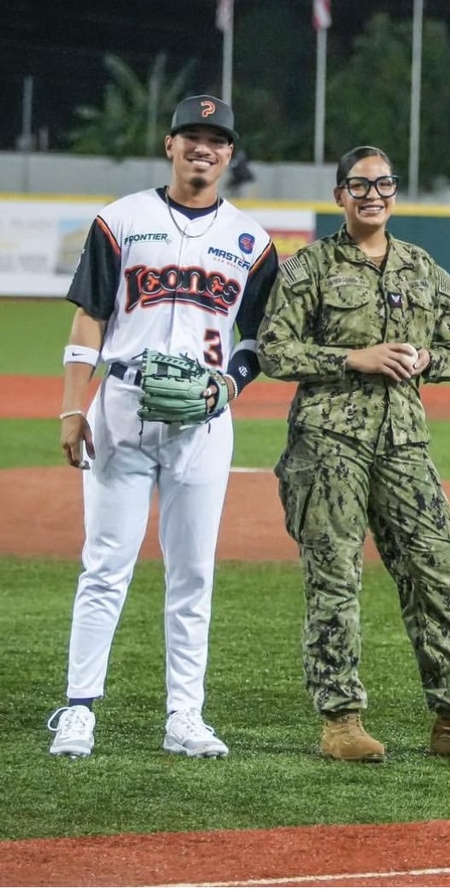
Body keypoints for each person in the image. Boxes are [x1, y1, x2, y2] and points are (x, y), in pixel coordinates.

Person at [256, 145, 450, 763]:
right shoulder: (310, 269)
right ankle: (341, 720)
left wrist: (429, 359)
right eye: (359, 185)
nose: (372, 194)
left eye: (383, 184)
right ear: (339, 195)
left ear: (395, 193)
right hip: (329, 445)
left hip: (404, 443)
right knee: (335, 576)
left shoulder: (422, 268)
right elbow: (274, 350)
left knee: (438, 568)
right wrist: (353, 358)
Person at [47, 95, 279, 759]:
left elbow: (263, 336)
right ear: (170, 144)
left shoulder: (252, 241)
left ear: (230, 155)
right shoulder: (121, 220)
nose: (204, 148)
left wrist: (231, 382)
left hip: (204, 423)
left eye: (217, 140)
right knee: (104, 564)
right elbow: (89, 318)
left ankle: (186, 713)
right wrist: (72, 404)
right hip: (119, 407)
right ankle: (79, 707)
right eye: (192, 136)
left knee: (193, 572)